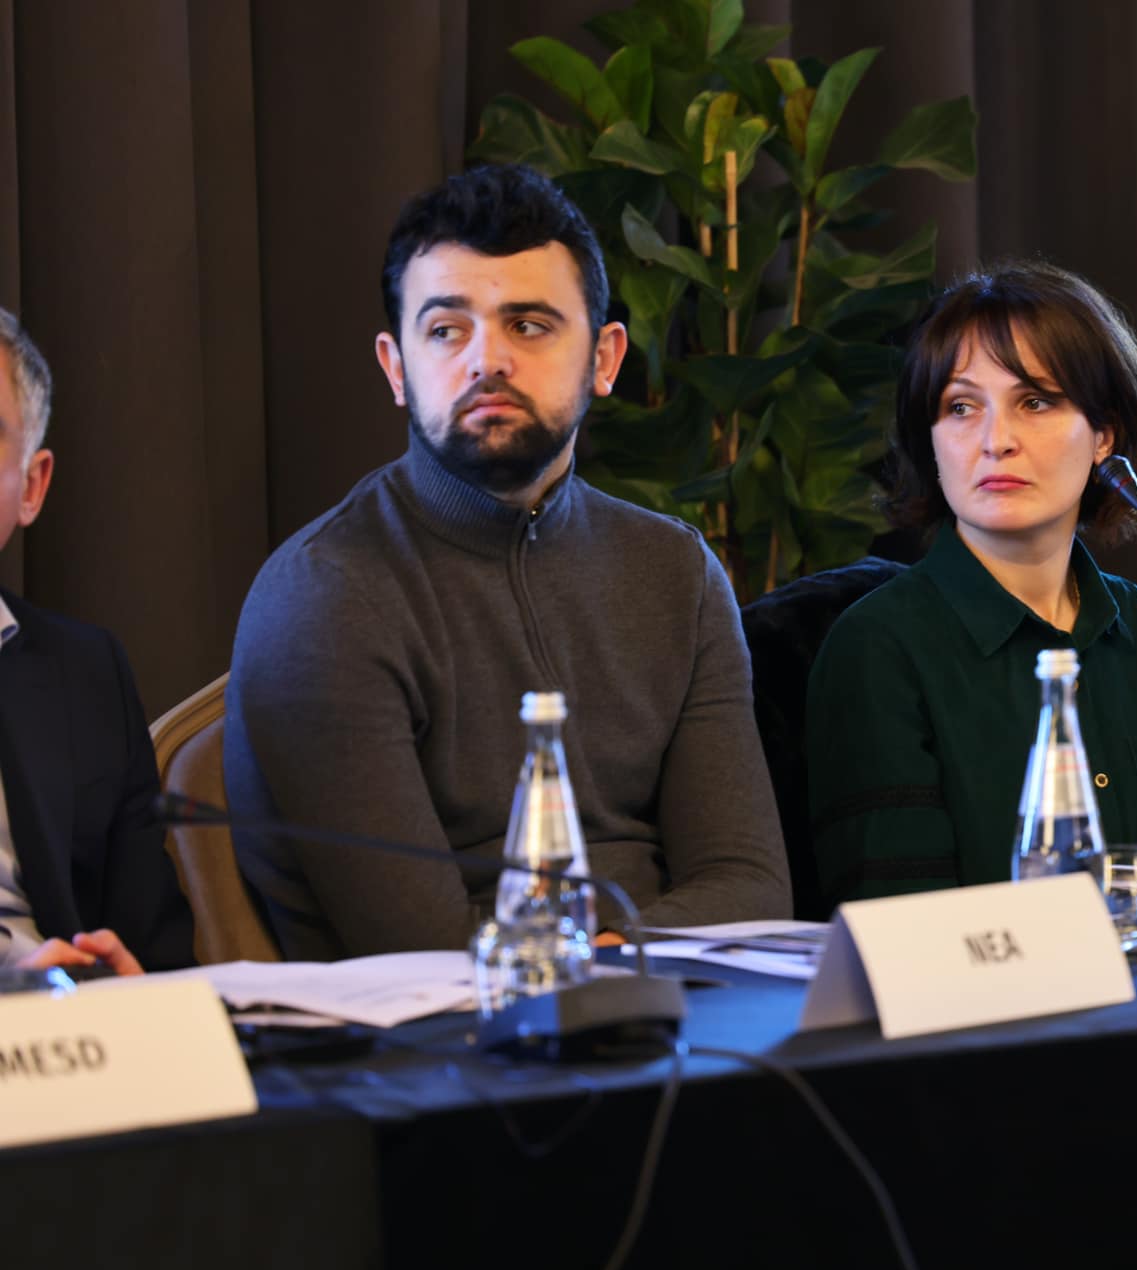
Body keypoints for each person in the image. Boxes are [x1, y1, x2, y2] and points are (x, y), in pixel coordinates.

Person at [225, 165, 790, 961]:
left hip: (688, 1005)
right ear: (396, 367)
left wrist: (621, 953)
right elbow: (422, 949)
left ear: (604, 358)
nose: (486, 360)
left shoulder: (677, 573)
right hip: (448, 1026)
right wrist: (623, 955)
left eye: (528, 325)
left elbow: (750, 887)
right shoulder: (324, 597)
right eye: (446, 330)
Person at [806, 262, 1137, 905]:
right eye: (960, 407)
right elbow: (899, 926)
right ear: (931, 442)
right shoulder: (877, 648)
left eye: (1034, 401)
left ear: (1103, 436)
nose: (996, 440)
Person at [0, 307, 192, 975]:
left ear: (30, 487)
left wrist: (136, 991)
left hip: (71, 1028)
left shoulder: (86, 674)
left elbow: (153, 945)